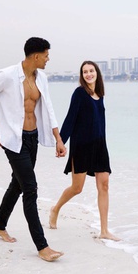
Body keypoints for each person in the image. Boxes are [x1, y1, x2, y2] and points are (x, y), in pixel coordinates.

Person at [0, 37, 66, 262]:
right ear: (36, 56)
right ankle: (42, 246)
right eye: (46, 55)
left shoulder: (41, 78)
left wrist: (58, 138)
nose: (48, 59)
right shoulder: (6, 75)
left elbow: (49, 107)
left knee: (18, 183)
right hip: (13, 140)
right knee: (30, 188)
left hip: (32, 137)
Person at [49, 60, 120, 241]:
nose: (89, 74)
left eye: (91, 70)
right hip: (82, 145)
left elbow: (101, 122)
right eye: (85, 72)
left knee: (104, 185)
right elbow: (70, 118)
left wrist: (103, 143)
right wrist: (61, 142)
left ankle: (104, 231)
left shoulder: (100, 94)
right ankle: (55, 208)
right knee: (77, 188)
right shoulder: (79, 93)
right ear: (82, 75)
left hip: (100, 145)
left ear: (97, 73)